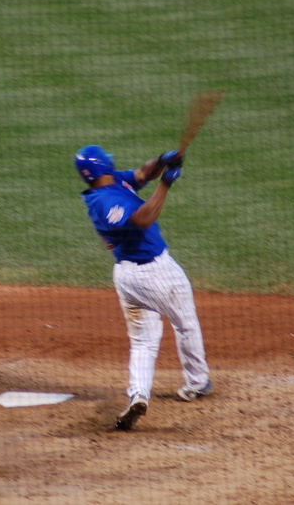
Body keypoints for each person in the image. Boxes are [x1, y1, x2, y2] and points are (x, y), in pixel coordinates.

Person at [74, 145, 213, 431]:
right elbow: (143, 218)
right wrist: (166, 183)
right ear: (103, 166)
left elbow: (141, 174)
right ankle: (197, 382)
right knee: (185, 323)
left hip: (127, 278)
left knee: (143, 341)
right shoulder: (105, 202)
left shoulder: (109, 183)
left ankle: (138, 395)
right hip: (156, 273)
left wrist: (162, 161)